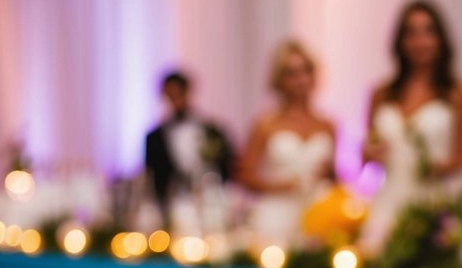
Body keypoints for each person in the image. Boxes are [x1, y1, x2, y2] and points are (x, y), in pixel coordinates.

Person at [361, 0, 462, 249]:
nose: (419, 42)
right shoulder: (381, 93)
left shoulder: (456, 94)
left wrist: (437, 167)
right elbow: (368, 150)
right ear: (400, 41)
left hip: (431, 200)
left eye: (427, 32)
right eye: (411, 33)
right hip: (388, 199)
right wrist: (370, 154)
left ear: (441, 40)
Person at [237, 40, 336, 247]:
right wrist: (285, 186)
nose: (301, 80)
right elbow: (244, 176)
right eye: (292, 73)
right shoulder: (265, 125)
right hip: (276, 215)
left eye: (305, 71)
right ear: (279, 80)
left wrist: (329, 174)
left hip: (317, 215)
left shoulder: (328, 125)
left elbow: (333, 176)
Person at [144, 70, 234, 210]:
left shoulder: (212, 130)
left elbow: (228, 166)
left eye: (178, 94)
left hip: (211, 202)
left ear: (188, 92)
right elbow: (152, 178)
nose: (175, 100)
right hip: (174, 203)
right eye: (170, 96)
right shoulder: (154, 138)